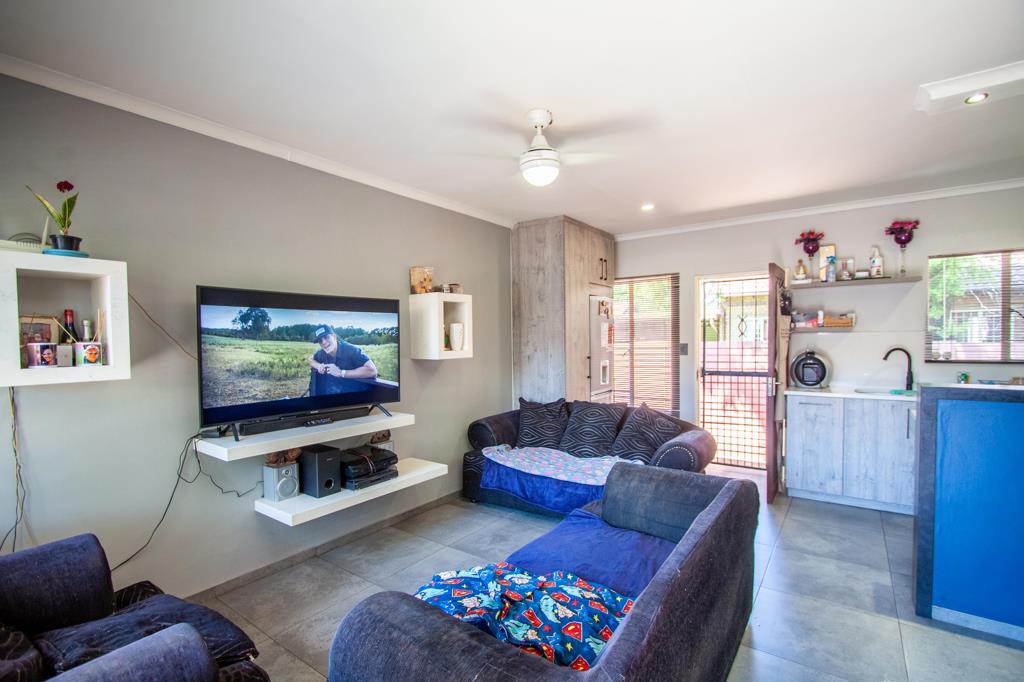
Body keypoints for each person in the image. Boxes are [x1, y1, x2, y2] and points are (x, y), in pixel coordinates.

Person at [308, 324, 377, 395]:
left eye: (326, 337)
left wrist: (341, 373)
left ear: (334, 337)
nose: (324, 342)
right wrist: (318, 366)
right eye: (320, 341)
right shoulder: (321, 353)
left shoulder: (351, 350)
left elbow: (372, 371)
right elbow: (310, 359)